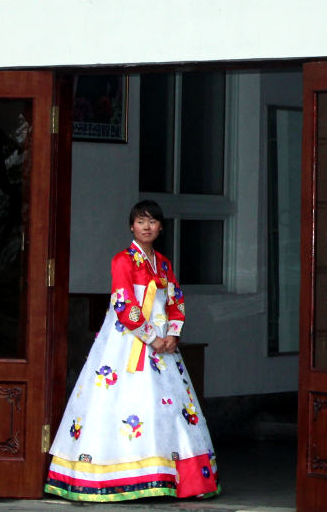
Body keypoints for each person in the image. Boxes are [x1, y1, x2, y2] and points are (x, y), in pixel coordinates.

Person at [45, 200, 220, 501]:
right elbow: (124, 304)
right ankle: (117, 476)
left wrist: (173, 335)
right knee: (122, 401)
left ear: (161, 227)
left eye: (152, 222)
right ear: (131, 226)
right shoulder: (123, 261)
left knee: (166, 406)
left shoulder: (163, 263)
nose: (147, 227)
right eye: (141, 221)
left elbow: (176, 298)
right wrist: (151, 338)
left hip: (163, 344)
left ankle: (168, 475)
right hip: (127, 342)